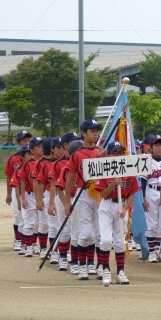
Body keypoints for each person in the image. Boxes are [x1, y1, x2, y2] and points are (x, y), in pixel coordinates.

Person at [95, 141, 140, 286]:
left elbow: (132, 193)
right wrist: (113, 183)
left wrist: (125, 208)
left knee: (120, 241)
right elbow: (103, 193)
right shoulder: (104, 170)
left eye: (121, 153)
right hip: (107, 206)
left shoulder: (128, 170)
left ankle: (120, 272)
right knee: (106, 240)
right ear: (108, 155)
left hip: (121, 206)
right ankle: (106, 270)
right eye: (115, 153)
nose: (118, 155)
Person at [64, 119, 104, 280]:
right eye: (92, 131)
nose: (95, 134)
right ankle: (81, 267)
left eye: (96, 131)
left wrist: (103, 158)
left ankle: (98, 265)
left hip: (100, 194)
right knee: (85, 232)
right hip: (84, 194)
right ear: (83, 133)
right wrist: (67, 202)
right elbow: (69, 178)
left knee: (99, 232)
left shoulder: (101, 152)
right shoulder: (77, 155)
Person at [48, 133, 78, 271]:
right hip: (63, 197)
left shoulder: (81, 160)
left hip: (79, 197)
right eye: (74, 142)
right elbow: (55, 184)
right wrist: (53, 202)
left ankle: (76, 258)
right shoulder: (58, 164)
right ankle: (63, 257)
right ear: (66, 145)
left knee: (77, 230)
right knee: (64, 229)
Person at [56, 140, 83, 275]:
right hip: (69, 199)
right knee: (68, 231)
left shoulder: (85, 169)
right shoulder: (67, 168)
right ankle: (64, 258)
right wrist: (66, 203)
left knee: (82, 232)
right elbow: (59, 187)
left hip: (83, 200)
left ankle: (83, 262)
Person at [141, 135, 161, 263]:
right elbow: (142, 181)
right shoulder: (146, 161)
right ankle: (152, 252)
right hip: (151, 191)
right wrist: (144, 197)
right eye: (157, 145)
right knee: (151, 224)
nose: (159, 147)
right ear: (151, 148)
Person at [5, 130, 32, 251]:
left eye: (28, 140)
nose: (27, 142)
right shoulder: (13, 158)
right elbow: (9, 176)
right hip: (17, 190)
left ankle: (27, 241)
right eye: (24, 141)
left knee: (29, 216)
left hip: (30, 192)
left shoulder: (33, 157)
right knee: (18, 214)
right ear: (18, 142)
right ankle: (18, 239)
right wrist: (8, 193)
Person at [18, 137, 43, 257]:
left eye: (42, 146)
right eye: (38, 146)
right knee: (29, 222)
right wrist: (23, 198)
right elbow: (22, 181)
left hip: (43, 196)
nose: (42, 148)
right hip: (30, 196)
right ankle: (28, 246)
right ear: (32, 151)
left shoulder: (45, 162)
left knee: (38, 223)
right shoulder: (28, 164)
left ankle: (33, 244)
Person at [12, 145, 32, 255]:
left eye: (31, 154)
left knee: (32, 221)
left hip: (32, 196)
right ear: (22, 157)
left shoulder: (35, 167)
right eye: (28, 154)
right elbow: (16, 186)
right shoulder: (18, 170)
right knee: (22, 219)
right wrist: (19, 200)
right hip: (21, 196)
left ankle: (30, 244)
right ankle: (23, 243)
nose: (31, 156)